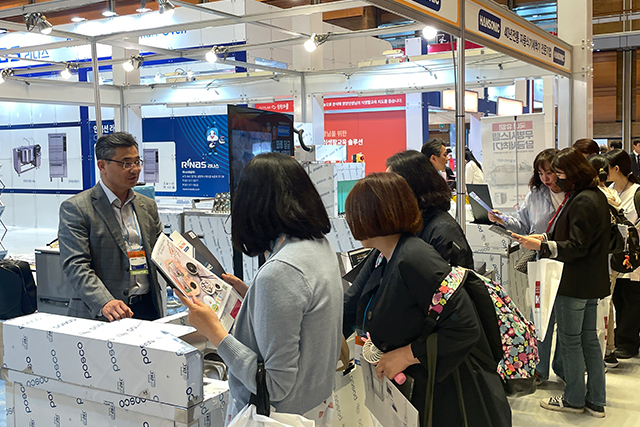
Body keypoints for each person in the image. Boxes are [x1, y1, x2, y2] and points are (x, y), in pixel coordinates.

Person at [175, 153, 343, 424]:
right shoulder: (318, 246)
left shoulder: (281, 271)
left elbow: (274, 385)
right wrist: (253, 296)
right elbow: (303, 319)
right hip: (314, 406)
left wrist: (215, 333)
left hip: (277, 417)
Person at [344, 172, 511, 427]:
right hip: (418, 392)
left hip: (448, 397)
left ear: (373, 214)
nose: (350, 221)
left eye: (354, 214)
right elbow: (355, 301)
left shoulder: (415, 258)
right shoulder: (384, 256)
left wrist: (406, 355)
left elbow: (465, 326)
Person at [514, 147, 609, 418]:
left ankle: (574, 399)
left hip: (574, 282)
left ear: (572, 172)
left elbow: (577, 246)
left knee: (571, 342)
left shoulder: (581, 200)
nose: (555, 178)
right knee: (589, 341)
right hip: (590, 281)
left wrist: (542, 246)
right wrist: (543, 240)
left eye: (558, 172)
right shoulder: (593, 195)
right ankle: (596, 400)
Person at [344, 151, 475, 339]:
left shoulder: (435, 237)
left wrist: (410, 352)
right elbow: (355, 296)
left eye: (390, 186)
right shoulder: (393, 238)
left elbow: (457, 314)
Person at [58, 132, 163, 321]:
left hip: (147, 308)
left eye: (137, 162)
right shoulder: (77, 208)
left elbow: (160, 253)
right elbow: (76, 264)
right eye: (126, 163)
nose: (135, 169)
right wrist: (104, 301)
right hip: (102, 312)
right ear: (102, 166)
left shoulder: (147, 205)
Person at [489, 148, 563, 384]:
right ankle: (538, 370)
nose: (545, 178)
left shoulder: (575, 194)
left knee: (567, 321)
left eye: (549, 172)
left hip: (569, 263)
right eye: (540, 173)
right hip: (542, 263)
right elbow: (522, 224)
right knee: (540, 317)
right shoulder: (536, 194)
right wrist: (502, 219)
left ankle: (563, 367)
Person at [604, 148, 640, 361]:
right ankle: (621, 337)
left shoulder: (636, 192)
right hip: (615, 255)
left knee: (631, 298)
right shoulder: (609, 191)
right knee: (618, 298)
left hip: (634, 255)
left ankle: (629, 342)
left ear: (616, 169)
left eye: (606, 168)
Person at [587, 154, 622, 369]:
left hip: (599, 258)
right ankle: (609, 350)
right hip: (613, 256)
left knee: (598, 307)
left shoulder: (595, 197)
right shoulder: (612, 194)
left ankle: (602, 352)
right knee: (607, 304)